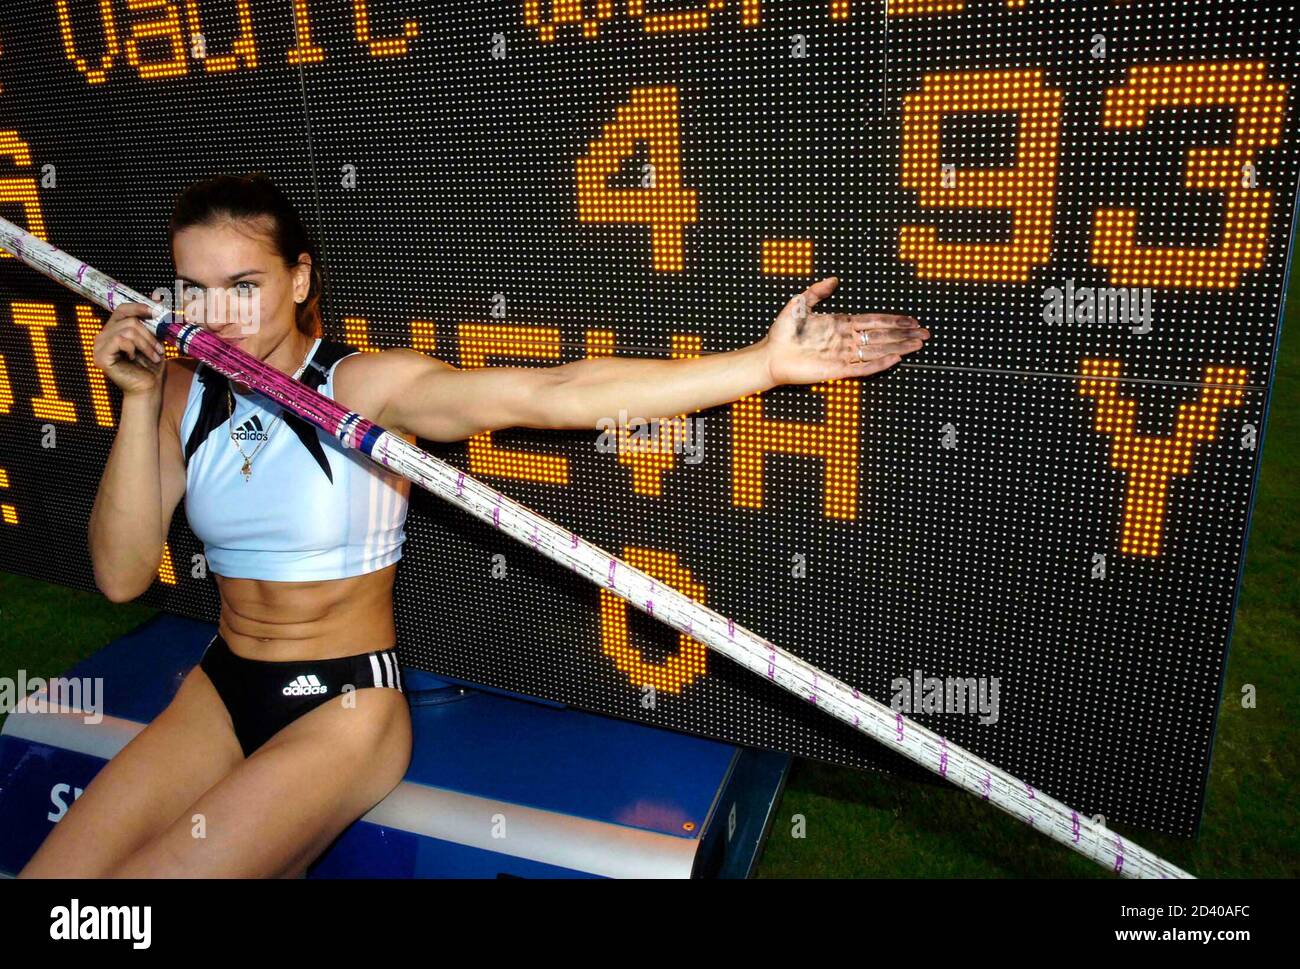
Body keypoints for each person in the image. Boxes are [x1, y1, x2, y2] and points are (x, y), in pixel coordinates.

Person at [18, 171, 928, 878]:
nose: (216, 315)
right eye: (195, 289)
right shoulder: (180, 390)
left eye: (244, 284)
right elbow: (123, 575)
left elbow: (552, 390)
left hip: (341, 710)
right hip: (221, 688)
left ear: (300, 278)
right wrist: (136, 404)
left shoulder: (362, 389)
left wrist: (759, 367)